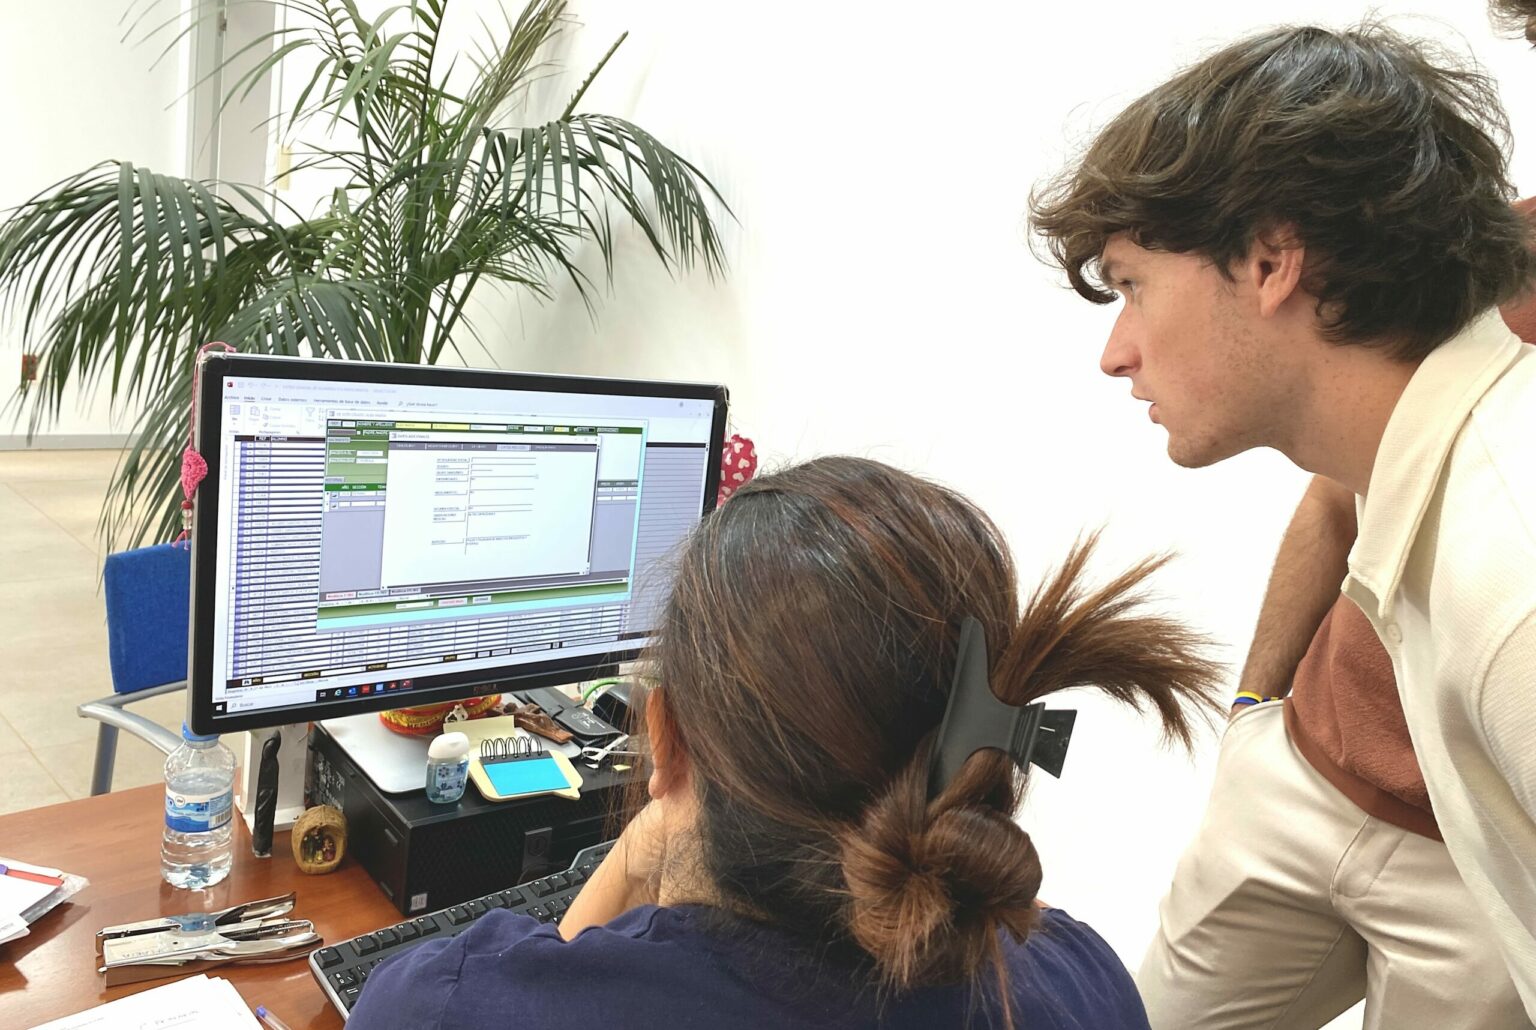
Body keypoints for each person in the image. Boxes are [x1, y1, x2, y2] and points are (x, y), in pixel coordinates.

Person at [1031, 21, 1536, 1026]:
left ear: (1270, 261)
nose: (1116, 352)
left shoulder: (1510, 570)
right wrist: (1257, 715)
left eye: (1132, 286)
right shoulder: (1423, 465)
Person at [347, 456, 1223, 1029]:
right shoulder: (1081, 980)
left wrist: (632, 857)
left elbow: (542, 980)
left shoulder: (449, 1008)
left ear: (665, 736)